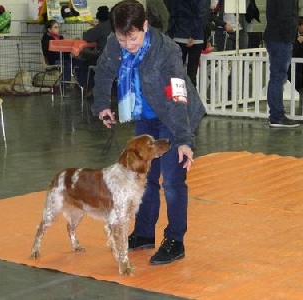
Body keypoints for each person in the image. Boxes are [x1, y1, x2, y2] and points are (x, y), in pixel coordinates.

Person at [91, 0, 206, 265]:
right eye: (122, 38)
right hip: (145, 114)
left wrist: (184, 141)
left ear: (144, 26)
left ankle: (175, 241)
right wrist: (102, 106)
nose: (127, 45)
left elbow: (177, 96)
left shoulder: (166, 51)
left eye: (132, 38)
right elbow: (104, 72)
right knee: (145, 178)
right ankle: (144, 233)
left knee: (174, 182)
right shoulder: (114, 43)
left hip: (175, 115)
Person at [263, 0, 300, 128]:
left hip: (274, 37)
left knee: (276, 77)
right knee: (278, 78)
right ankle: (277, 116)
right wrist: (288, 37)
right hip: (280, 39)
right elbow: (285, 16)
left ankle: (276, 115)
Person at [167, 0, 208, 88]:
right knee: (192, 75)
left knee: (177, 74)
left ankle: (178, 100)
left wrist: (170, 36)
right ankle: (192, 100)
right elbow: (201, 15)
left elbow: (173, 16)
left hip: (179, 35)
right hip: (197, 39)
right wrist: (194, 35)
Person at [41, 20, 86, 86]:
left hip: (65, 58)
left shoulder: (60, 37)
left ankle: (81, 85)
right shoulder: (46, 39)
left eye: (58, 27)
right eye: (55, 27)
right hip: (53, 60)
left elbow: (64, 50)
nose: (58, 29)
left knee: (82, 63)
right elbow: (49, 53)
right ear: (49, 29)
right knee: (68, 64)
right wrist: (66, 54)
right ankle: (64, 86)